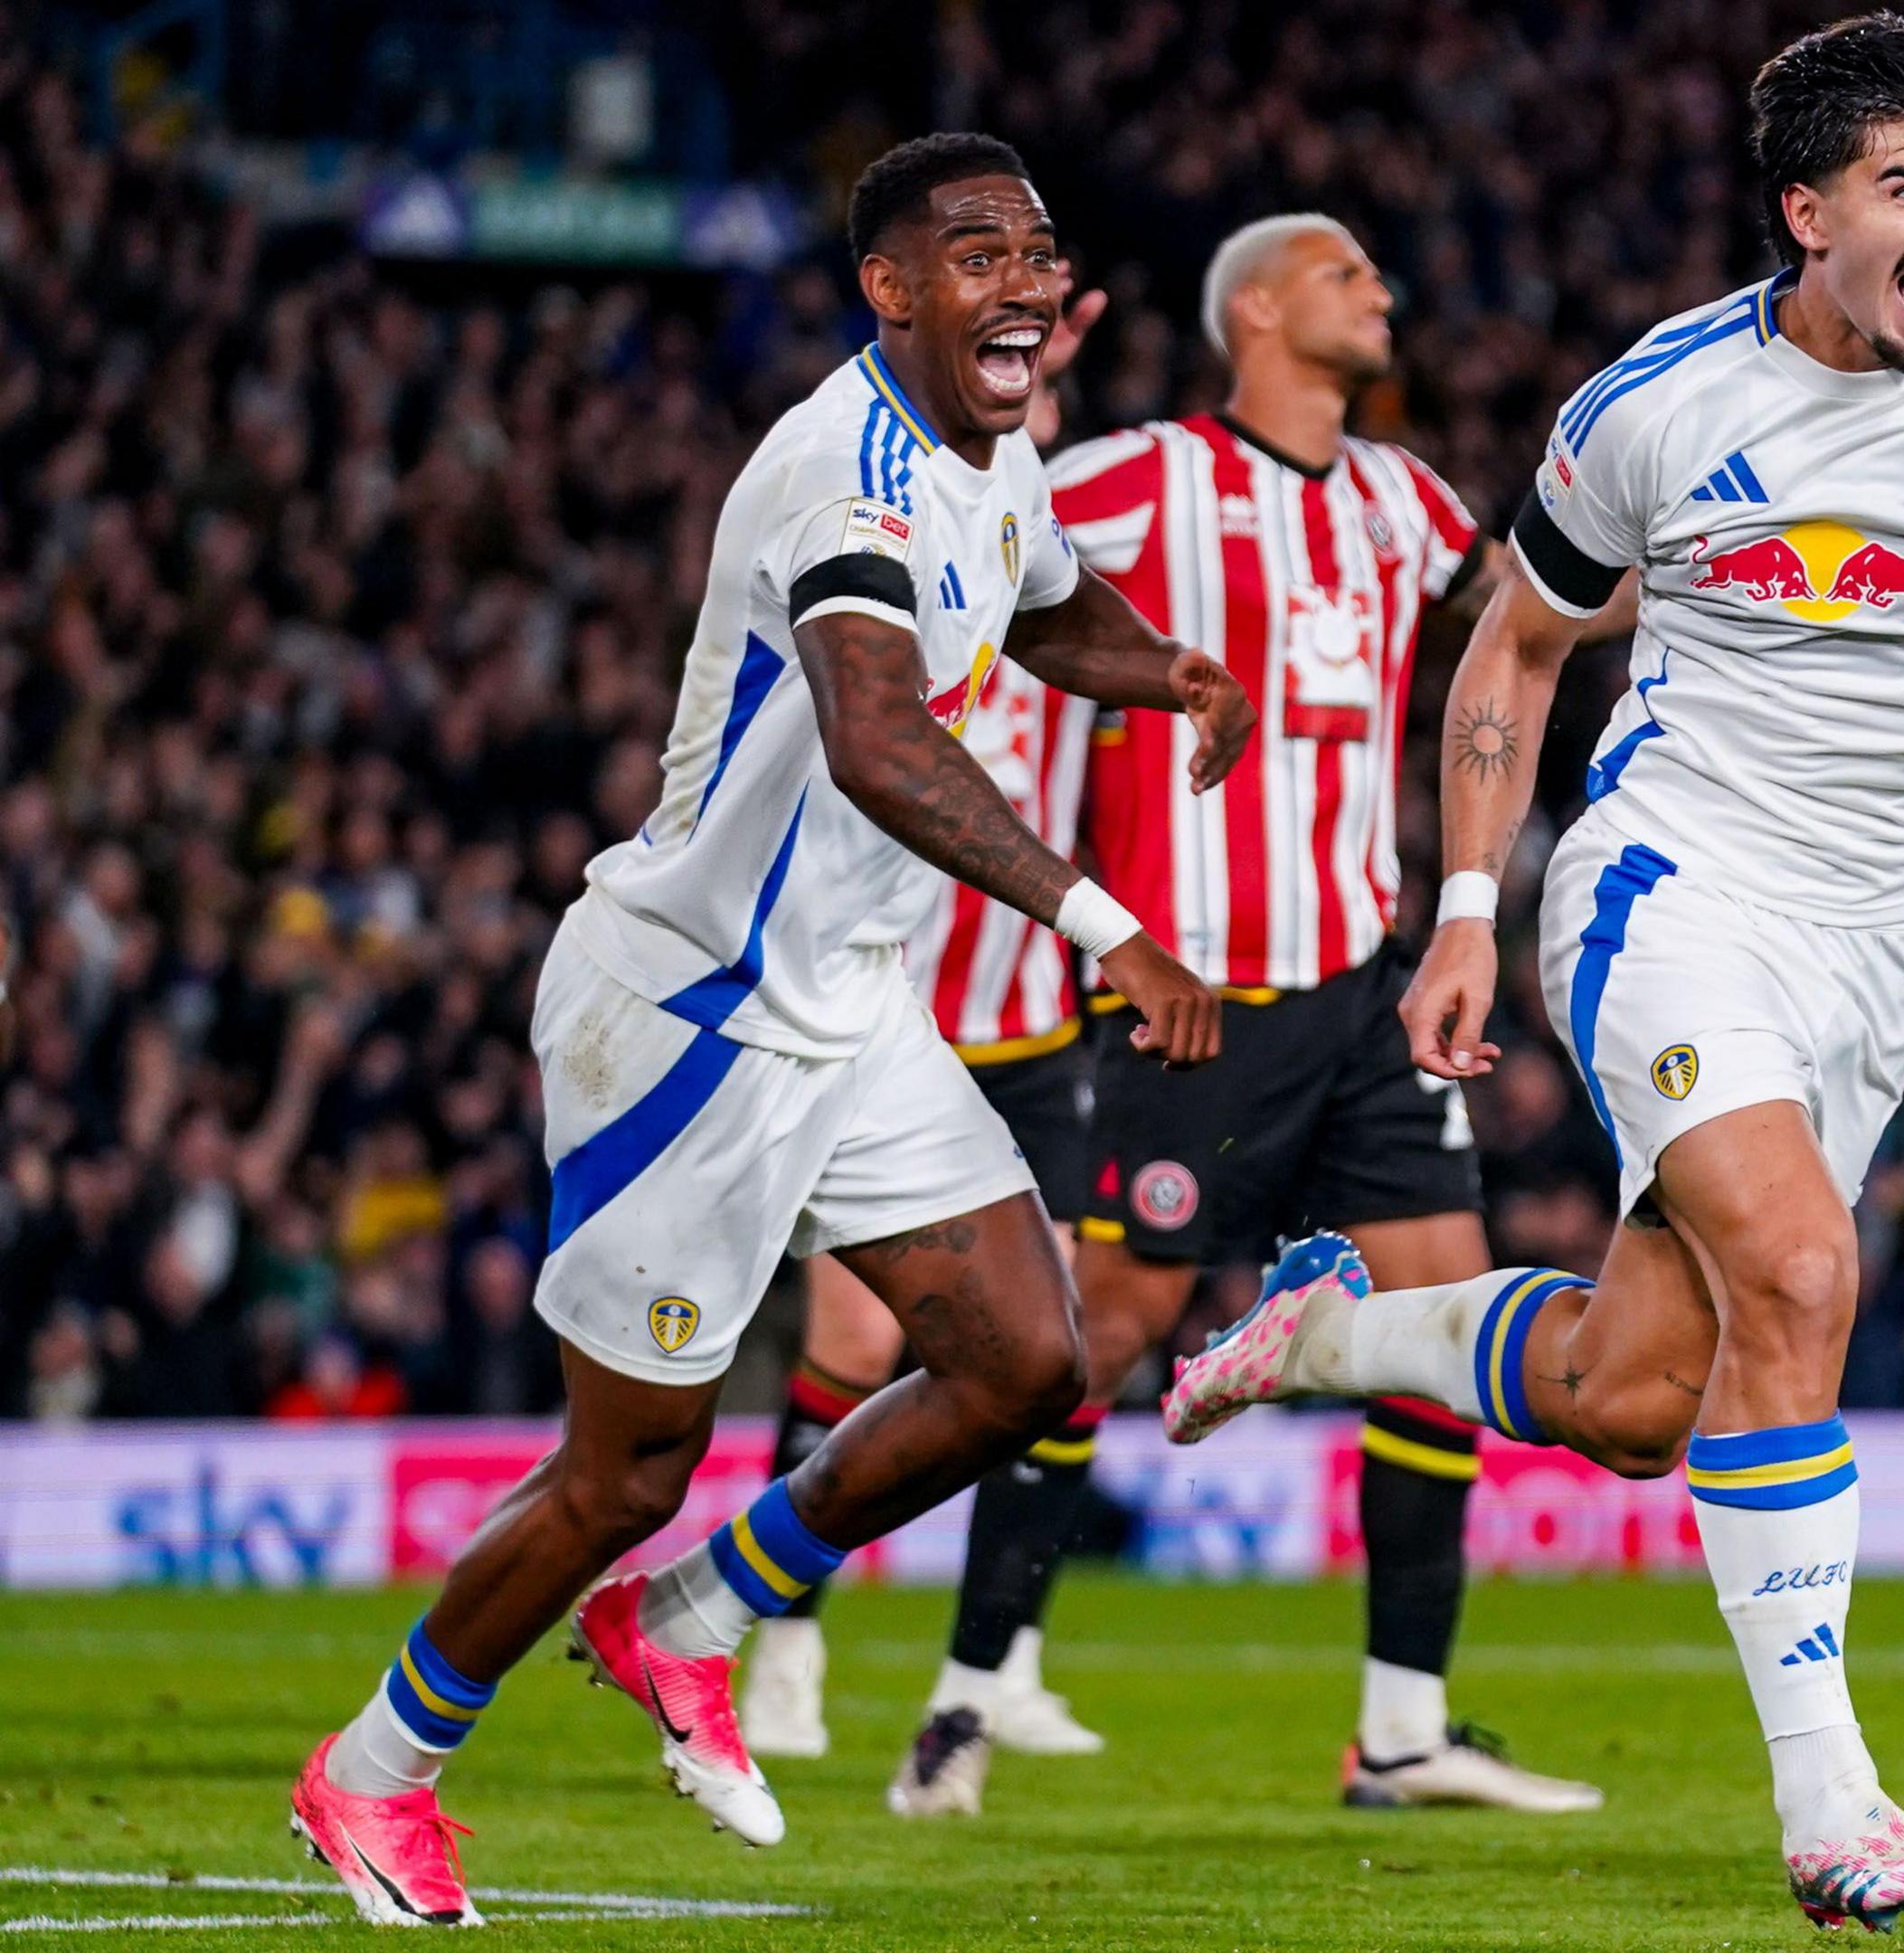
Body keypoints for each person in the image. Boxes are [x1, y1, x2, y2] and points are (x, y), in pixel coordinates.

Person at [1157, 14, 1904, 1927]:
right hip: (1672, 883)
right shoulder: (1658, 399)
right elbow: (1515, 647)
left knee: (1640, 1391)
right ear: (1805, 209)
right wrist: (1467, 902)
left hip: (1880, 941)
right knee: (1803, 1266)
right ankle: (1834, 1807)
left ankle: (1322, 1332)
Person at [284, 133, 1254, 1926]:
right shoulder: (844, 473)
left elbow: (1041, 601)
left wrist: (1170, 667)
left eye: (1038, 251)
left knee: (1026, 1361)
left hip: (849, 1005)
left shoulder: (992, 454)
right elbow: (879, 737)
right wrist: (1101, 920)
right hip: (690, 1015)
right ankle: (371, 1769)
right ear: (888, 288)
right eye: (976, 255)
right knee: (623, 1465)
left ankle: (698, 1613)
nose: (1026, 283)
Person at [884, 210, 1613, 1817]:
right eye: (1354, 272)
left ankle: (1405, 1726)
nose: (1388, 291)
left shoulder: (1406, 498)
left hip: (1363, 989)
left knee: (1445, 1321)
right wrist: (988, 424)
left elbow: (1540, 611)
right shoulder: (1145, 479)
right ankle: (968, 1680)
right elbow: (972, 546)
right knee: (1098, 1336)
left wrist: (1688, 542)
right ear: (1266, 310)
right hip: (1198, 1002)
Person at [732, 640, 1121, 1811]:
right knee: (852, 1348)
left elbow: (1108, 802)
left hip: (1041, 1038)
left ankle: (1004, 1661)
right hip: (888, 1029)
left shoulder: (1068, 609)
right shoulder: (891, 608)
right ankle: (784, 1644)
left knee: (1056, 1346)